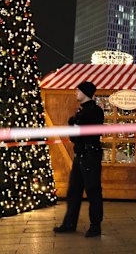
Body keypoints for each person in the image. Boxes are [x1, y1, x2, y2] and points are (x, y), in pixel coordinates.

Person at [54, 81, 105, 238]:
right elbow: (74, 136)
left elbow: (87, 133)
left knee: (93, 190)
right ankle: (69, 223)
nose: (76, 92)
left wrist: (76, 123)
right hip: (80, 156)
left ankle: (95, 226)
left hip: (90, 156)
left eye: (79, 90)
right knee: (73, 192)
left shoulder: (94, 111)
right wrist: (76, 123)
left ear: (86, 93)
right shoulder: (82, 112)